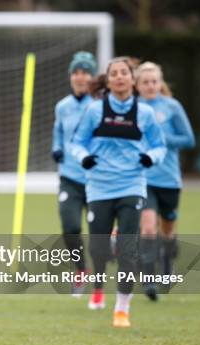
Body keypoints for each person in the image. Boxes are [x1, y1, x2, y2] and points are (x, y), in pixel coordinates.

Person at [70, 57, 166, 327]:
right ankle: (98, 288)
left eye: (125, 73)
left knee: (127, 249)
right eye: (115, 74)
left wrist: (151, 157)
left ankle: (122, 308)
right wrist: (84, 157)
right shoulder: (94, 110)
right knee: (99, 249)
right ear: (108, 80)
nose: (120, 77)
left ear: (132, 79)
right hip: (99, 187)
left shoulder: (144, 114)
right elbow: (77, 143)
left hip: (132, 186)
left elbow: (160, 146)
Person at [135, 61, 195, 301]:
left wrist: (162, 138)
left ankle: (167, 263)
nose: (150, 86)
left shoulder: (171, 106)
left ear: (160, 84)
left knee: (167, 228)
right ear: (137, 86)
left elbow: (188, 139)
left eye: (154, 81)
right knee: (148, 227)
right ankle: (149, 279)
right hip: (142, 178)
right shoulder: (132, 108)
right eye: (145, 82)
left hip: (169, 179)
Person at [51, 51, 97, 297]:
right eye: (76, 72)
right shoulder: (63, 106)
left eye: (85, 72)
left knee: (101, 229)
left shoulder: (99, 105)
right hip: (69, 177)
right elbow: (58, 132)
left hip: (97, 178)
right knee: (70, 227)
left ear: (92, 77)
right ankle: (80, 271)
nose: (80, 77)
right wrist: (56, 149)